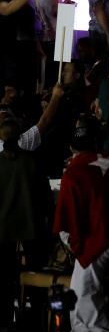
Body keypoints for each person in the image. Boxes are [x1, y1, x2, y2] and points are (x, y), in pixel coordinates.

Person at [54, 114, 109, 332]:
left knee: (82, 291)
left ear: (71, 148)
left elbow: (67, 220)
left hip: (95, 240)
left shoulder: (72, 174)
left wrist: (74, 245)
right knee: (79, 290)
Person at [0, 118, 52, 330]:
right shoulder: (32, 162)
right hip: (32, 228)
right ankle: (34, 319)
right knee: (35, 275)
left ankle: (4, 319)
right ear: (20, 136)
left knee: (3, 278)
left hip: (3, 230)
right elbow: (46, 197)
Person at [0, 0, 44, 90]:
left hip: (28, 53)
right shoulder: (5, 1)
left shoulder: (25, 2)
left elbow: (29, 28)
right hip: (11, 56)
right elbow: (6, 9)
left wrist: (38, 47)